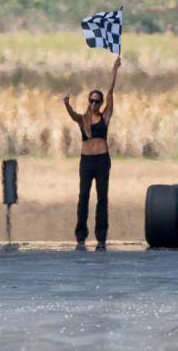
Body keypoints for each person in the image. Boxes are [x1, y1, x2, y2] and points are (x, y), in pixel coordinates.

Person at [63, 56, 121, 251]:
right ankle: (80, 235)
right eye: (91, 101)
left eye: (97, 101)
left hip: (102, 160)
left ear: (101, 103)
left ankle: (101, 237)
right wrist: (67, 104)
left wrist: (114, 70)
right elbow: (73, 116)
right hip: (86, 161)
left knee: (102, 197)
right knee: (84, 196)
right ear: (88, 102)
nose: (94, 104)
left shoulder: (105, 117)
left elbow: (110, 92)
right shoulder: (83, 119)